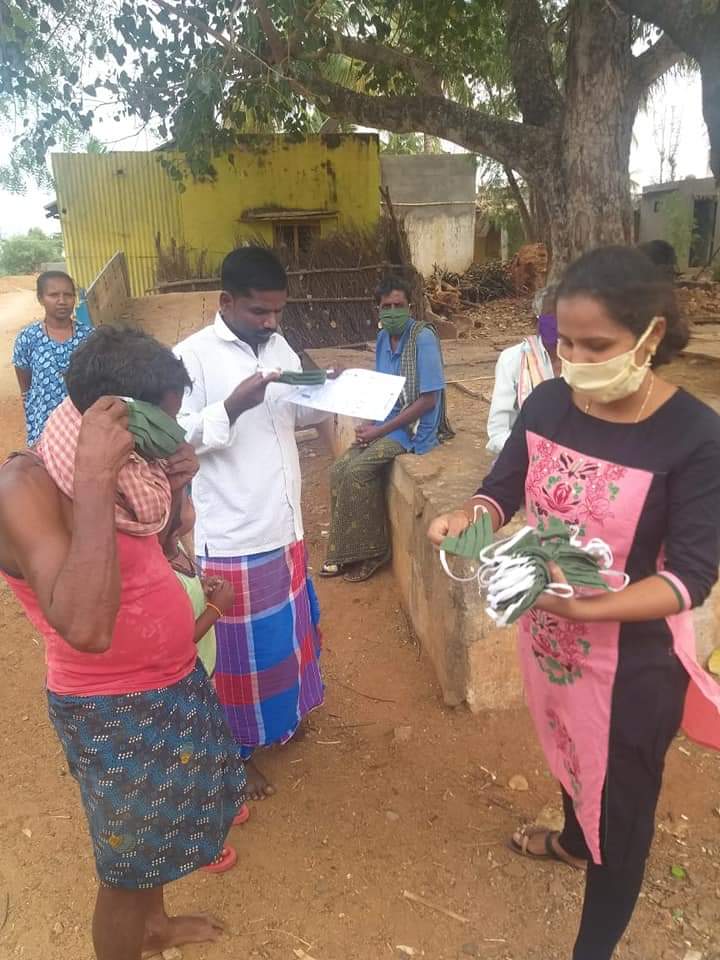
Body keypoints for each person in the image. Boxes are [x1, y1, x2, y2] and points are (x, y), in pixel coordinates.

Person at [428, 246, 720, 960]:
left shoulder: (696, 436)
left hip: (634, 665)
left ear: (652, 337)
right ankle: (568, 840)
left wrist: (586, 611)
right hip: (553, 641)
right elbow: (502, 488)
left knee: (620, 808)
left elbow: (687, 579)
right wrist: (470, 519)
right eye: (565, 342)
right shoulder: (550, 400)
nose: (577, 360)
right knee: (565, 749)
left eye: (598, 346)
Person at [0, 326, 264, 960]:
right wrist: (92, 479)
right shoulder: (26, 487)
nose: (172, 438)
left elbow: (157, 549)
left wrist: (176, 484)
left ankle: (156, 925)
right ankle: (129, 933)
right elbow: (86, 626)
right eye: (163, 426)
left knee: (158, 839)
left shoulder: (131, 475)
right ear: (113, 417)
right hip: (108, 708)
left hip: (171, 679)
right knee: (124, 869)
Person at [175, 245, 326, 802]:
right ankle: (234, 756)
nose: (269, 323)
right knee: (238, 658)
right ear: (226, 301)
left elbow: (295, 411)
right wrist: (233, 406)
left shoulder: (277, 344)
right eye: (259, 312)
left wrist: (325, 391)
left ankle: (279, 722)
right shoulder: (190, 358)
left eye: (276, 313)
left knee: (287, 639)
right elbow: (174, 438)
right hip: (235, 536)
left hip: (284, 524)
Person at [320, 275, 452, 582]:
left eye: (399, 305)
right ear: (378, 310)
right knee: (340, 469)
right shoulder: (383, 339)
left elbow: (429, 400)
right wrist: (370, 417)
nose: (393, 311)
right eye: (386, 306)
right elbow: (384, 387)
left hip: (415, 428)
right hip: (388, 422)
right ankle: (343, 551)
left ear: (410, 306)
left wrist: (379, 431)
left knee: (359, 471)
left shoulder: (423, 338)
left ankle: (374, 552)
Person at [13, 270, 93, 445]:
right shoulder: (28, 337)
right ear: (41, 298)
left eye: (68, 295)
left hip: (82, 424)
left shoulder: (90, 337)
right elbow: (24, 381)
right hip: (44, 425)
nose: (62, 301)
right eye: (54, 295)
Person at [486, 285, 559, 455]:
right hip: (526, 455)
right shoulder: (513, 359)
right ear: (536, 321)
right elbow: (498, 432)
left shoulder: (586, 362)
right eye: (553, 316)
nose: (561, 322)